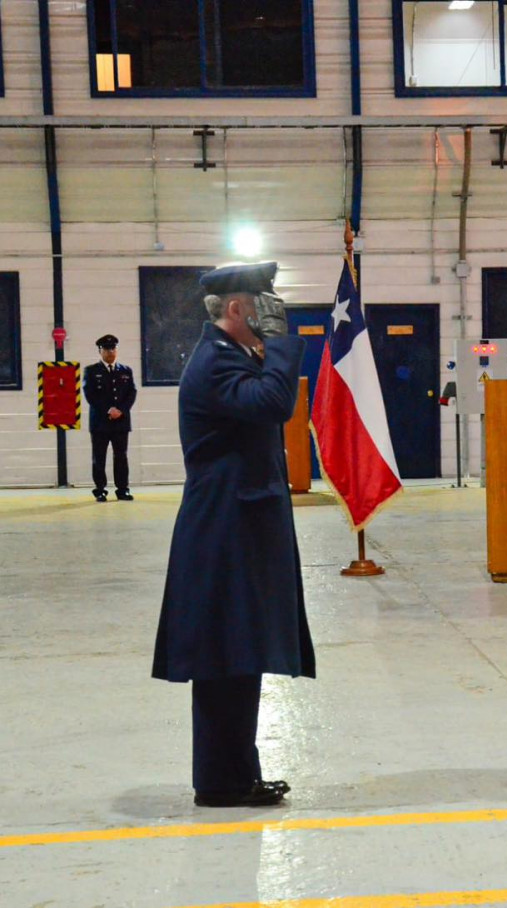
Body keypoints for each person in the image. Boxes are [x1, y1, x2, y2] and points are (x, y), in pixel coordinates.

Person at [151, 261, 315, 808]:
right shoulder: (217, 362)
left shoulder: (235, 357)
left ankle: (235, 776)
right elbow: (275, 404)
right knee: (223, 657)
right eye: (266, 305)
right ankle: (221, 783)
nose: (274, 314)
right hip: (223, 528)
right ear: (239, 308)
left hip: (237, 524)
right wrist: (282, 344)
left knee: (237, 655)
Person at [83, 334, 137, 502]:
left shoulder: (126, 371)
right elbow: (90, 395)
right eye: (106, 349)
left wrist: (121, 410)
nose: (110, 352)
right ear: (100, 351)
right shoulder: (91, 371)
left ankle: (122, 489)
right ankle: (100, 490)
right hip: (100, 422)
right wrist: (108, 410)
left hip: (121, 422)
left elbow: (131, 393)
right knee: (99, 457)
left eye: (113, 348)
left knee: (121, 457)